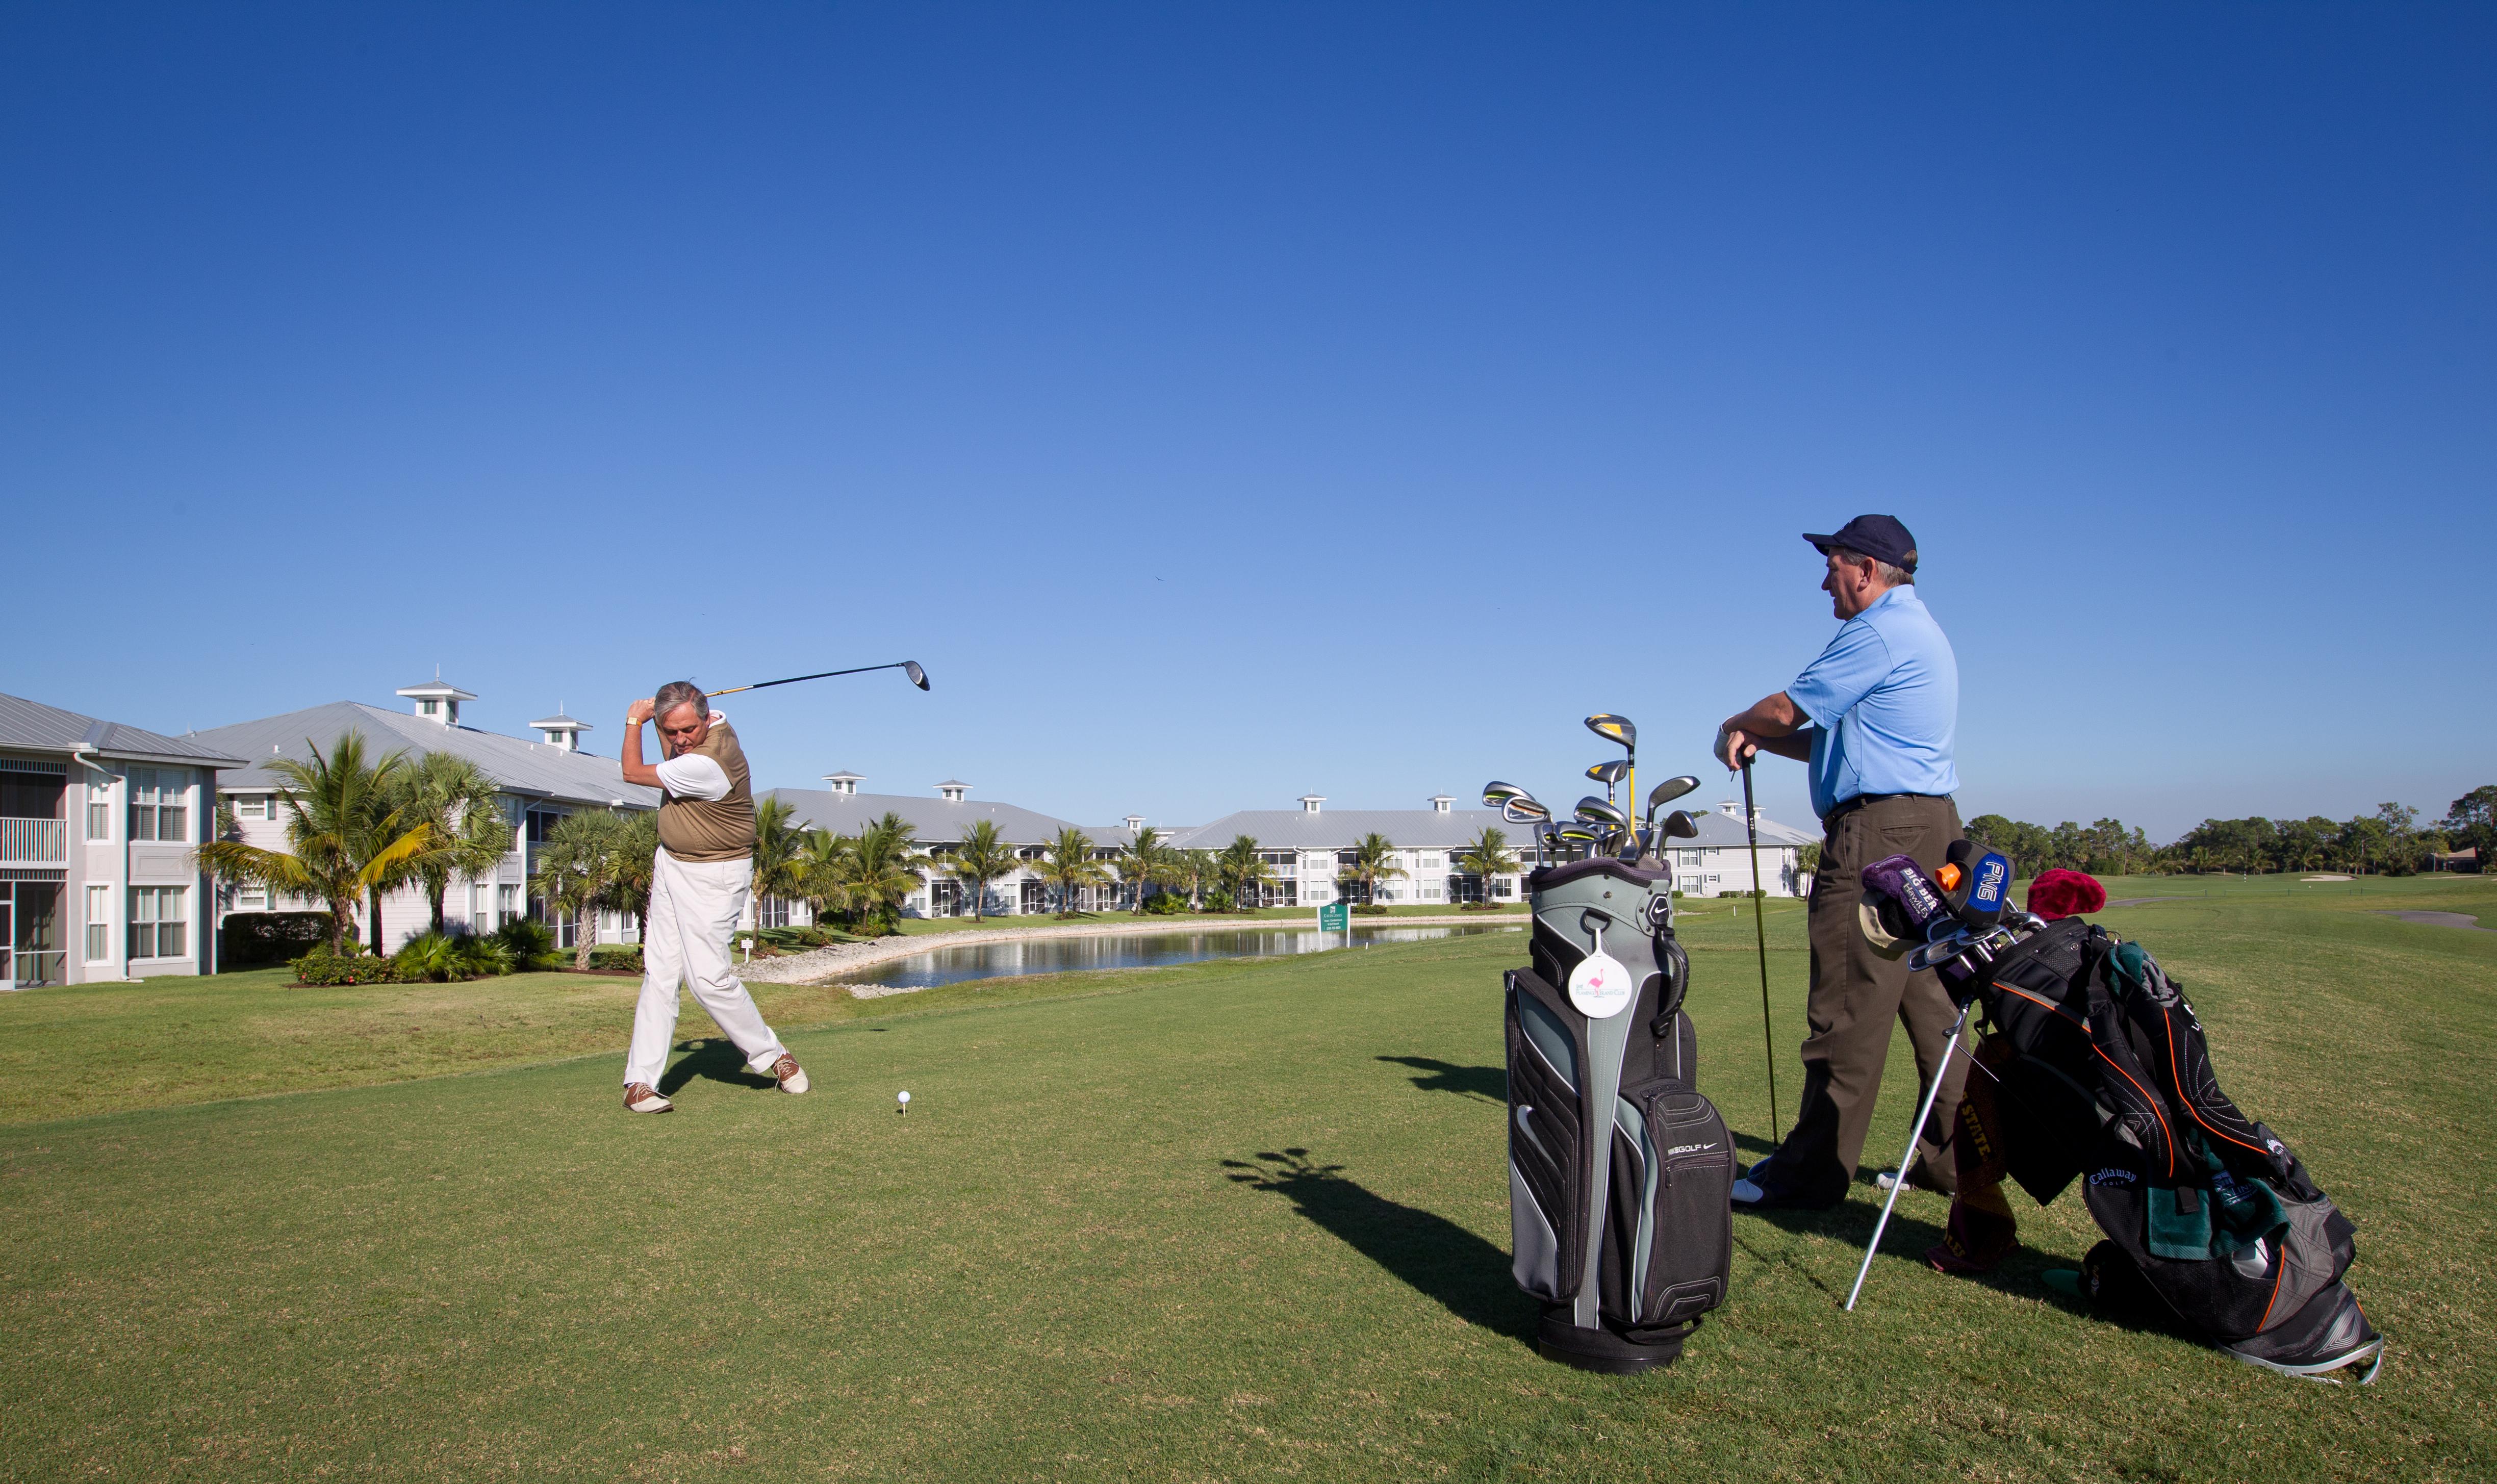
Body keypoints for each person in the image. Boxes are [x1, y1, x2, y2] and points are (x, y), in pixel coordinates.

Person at [1712, 515, 1962, 1209]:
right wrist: (1765, 739)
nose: (1825, 577)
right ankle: (1952, 1161)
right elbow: (1829, 736)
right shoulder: (1915, 630)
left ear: (1867, 570)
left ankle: (1808, 1178)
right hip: (1929, 826)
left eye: (1834, 563)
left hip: (1880, 833)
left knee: (1848, 1004)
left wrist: (1736, 725)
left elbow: (1785, 709)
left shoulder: (1877, 631)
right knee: (1931, 1003)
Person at [616, 680, 808, 1113]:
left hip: (715, 874)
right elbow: (685, 726)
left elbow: (631, 772)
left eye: (689, 730)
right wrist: (667, 715)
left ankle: (775, 1057)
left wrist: (635, 720)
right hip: (671, 862)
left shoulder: (710, 762)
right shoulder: (711, 722)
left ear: (706, 718)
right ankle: (640, 1083)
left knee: (708, 980)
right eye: (671, 733)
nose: (681, 740)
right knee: (660, 972)